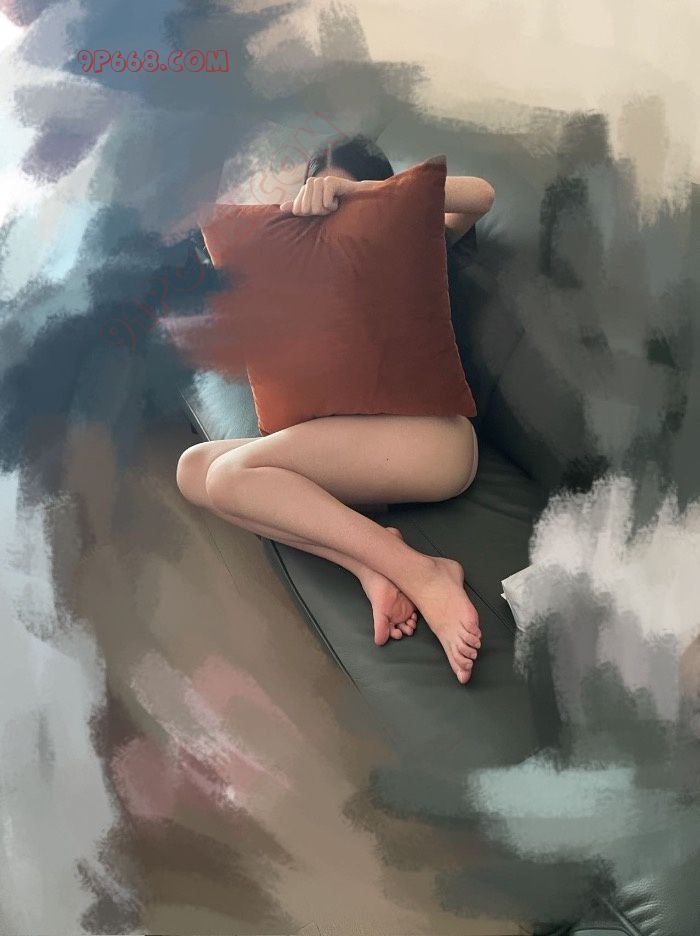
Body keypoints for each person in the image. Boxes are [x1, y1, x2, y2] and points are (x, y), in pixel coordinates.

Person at [176, 135, 495, 684]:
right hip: (355, 448)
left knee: (230, 477)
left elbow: (482, 196)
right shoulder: (309, 256)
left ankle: (424, 574)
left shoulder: (415, 236)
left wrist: (363, 195)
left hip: (433, 440)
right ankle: (371, 563)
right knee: (193, 470)